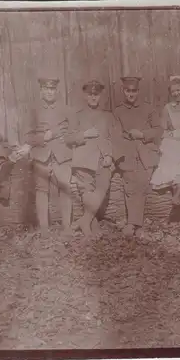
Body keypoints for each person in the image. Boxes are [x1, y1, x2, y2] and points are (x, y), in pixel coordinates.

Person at [15, 74, 75, 235]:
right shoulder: (33, 111)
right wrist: (44, 137)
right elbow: (26, 137)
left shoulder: (66, 110)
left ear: (56, 91)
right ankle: (44, 228)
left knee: (65, 188)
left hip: (62, 155)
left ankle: (67, 227)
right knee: (41, 190)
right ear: (41, 90)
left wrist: (65, 139)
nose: (50, 92)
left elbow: (74, 133)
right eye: (46, 89)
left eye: (52, 89)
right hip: (41, 156)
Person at [113, 76, 164, 238]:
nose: (131, 94)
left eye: (134, 91)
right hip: (127, 152)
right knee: (129, 184)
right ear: (124, 91)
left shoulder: (149, 109)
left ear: (138, 91)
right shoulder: (118, 111)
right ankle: (136, 224)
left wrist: (142, 134)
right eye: (128, 91)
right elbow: (115, 134)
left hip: (146, 152)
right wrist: (126, 140)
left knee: (141, 182)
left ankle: (133, 223)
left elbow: (158, 130)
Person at [65, 80, 115, 237]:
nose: (93, 97)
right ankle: (91, 225)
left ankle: (85, 221)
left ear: (100, 96)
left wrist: (109, 155)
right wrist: (84, 134)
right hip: (84, 160)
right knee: (87, 190)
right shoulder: (77, 115)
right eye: (90, 94)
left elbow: (113, 138)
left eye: (96, 94)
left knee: (102, 186)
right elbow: (68, 138)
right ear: (85, 96)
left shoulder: (107, 116)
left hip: (102, 160)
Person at [150, 75, 180, 206]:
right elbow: (163, 127)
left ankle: (178, 193)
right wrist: (169, 134)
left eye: (178, 90)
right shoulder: (168, 107)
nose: (176, 93)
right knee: (170, 152)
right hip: (174, 137)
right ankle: (175, 192)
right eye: (173, 91)